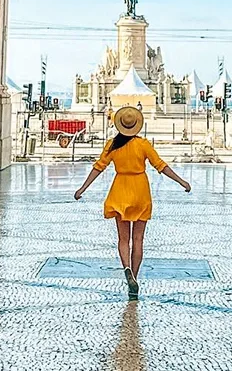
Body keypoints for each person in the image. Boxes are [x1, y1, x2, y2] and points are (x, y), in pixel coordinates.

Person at [74, 104, 191, 298]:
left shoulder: (112, 145)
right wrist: (182, 181)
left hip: (120, 189)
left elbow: (99, 167)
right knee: (138, 239)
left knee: (123, 239)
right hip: (140, 191)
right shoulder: (143, 144)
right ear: (137, 125)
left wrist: (82, 188)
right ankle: (134, 277)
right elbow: (161, 166)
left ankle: (126, 268)